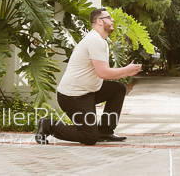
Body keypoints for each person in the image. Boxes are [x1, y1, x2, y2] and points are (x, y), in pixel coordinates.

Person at [36, 8, 141, 145]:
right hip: (72, 96)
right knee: (89, 138)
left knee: (118, 89)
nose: (112, 20)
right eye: (109, 17)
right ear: (99, 21)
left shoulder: (98, 40)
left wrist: (126, 71)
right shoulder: (95, 40)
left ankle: (105, 131)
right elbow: (103, 73)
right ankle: (48, 125)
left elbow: (103, 72)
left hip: (88, 92)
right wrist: (126, 71)